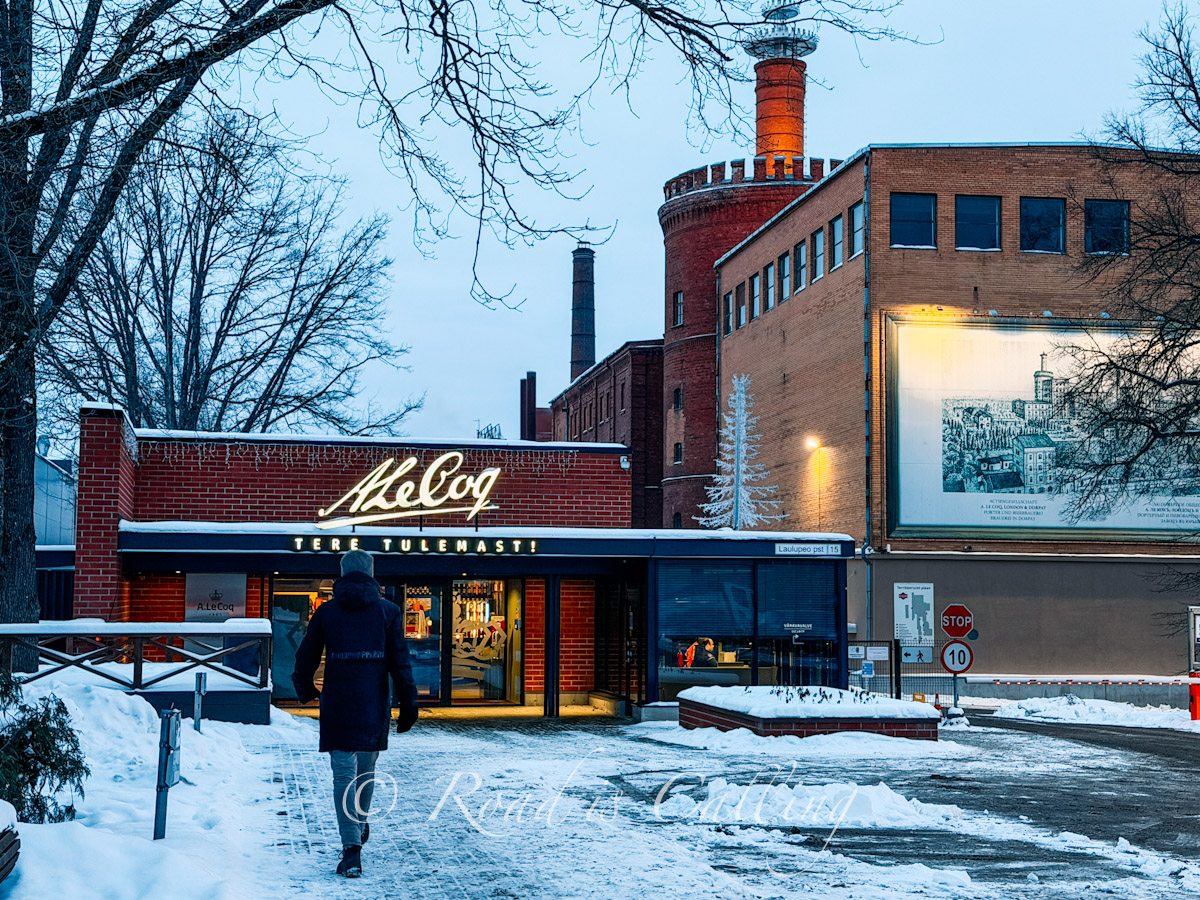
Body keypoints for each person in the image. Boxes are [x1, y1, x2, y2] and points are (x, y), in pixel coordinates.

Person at [292, 549, 419, 878]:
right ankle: (359, 823)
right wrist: (408, 703)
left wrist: (305, 689)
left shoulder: (326, 613)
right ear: (372, 573)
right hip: (373, 702)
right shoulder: (388, 612)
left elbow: (306, 656)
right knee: (366, 771)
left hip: (337, 702)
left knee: (342, 775)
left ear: (343, 574)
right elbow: (400, 663)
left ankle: (351, 850)